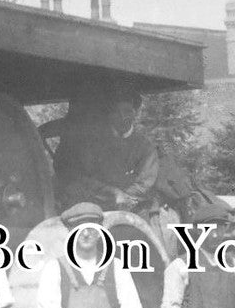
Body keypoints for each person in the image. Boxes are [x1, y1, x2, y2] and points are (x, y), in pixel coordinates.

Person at [51, 82, 161, 212]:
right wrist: (111, 192)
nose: (122, 117)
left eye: (127, 111)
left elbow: (144, 184)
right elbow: (83, 178)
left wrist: (124, 197)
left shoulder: (145, 147)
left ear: (134, 113)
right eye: (116, 111)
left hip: (133, 208)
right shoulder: (93, 143)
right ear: (109, 114)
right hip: (95, 205)